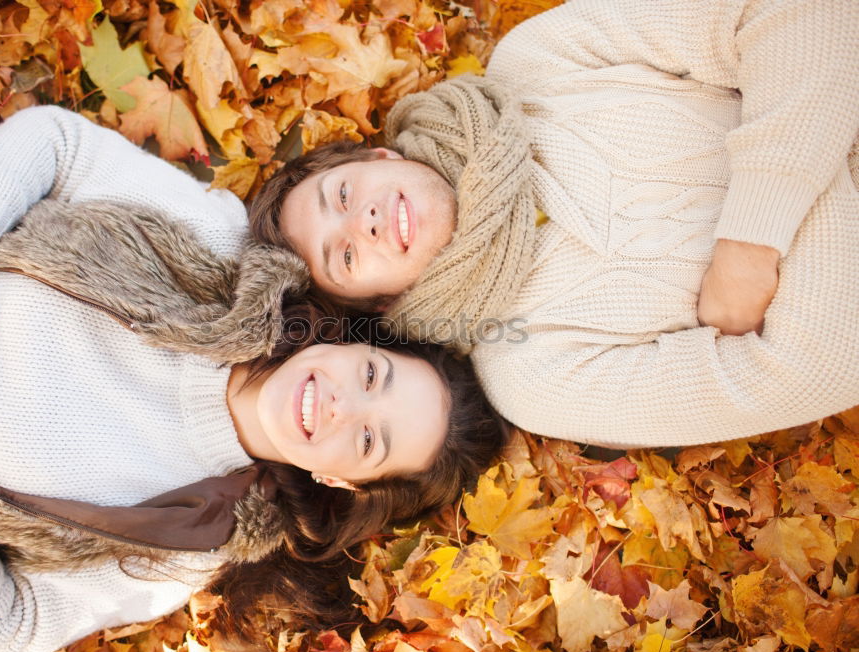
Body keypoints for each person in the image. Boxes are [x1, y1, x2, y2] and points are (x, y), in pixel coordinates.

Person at [0, 189, 506, 652]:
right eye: (372, 376)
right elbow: (53, 140)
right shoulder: (219, 252)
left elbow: (10, 631)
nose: (346, 405)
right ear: (346, 343)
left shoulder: (186, 542)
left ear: (338, 479)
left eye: (370, 440)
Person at [250, 0, 859, 448]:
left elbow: (799, 12)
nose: (366, 222)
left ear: (377, 157)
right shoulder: (534, 377)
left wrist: (751, 243)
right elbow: (825, 366)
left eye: (344, 193)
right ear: (381, 306)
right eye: (346, 257)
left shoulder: (536, 66)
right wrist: (813, 116)